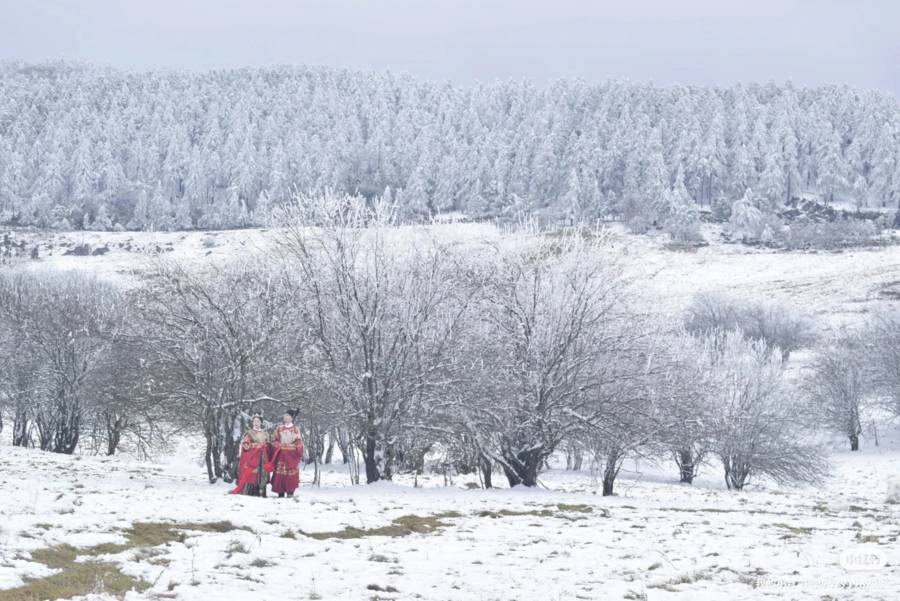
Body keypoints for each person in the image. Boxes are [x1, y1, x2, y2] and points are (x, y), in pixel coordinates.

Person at [230, 415, 271, 496]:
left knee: (261, 474)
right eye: (254, 421)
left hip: (263, 458)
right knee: (252, 474)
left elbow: (269, 445)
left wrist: (266, 446)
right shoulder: (249, 433)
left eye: (258, 421)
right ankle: (249, 492)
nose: (256, 423)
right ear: (252, 422)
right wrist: (257, 446)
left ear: (261, 423)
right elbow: (245, 445)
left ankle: (261, 492)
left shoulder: (265, 434)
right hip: (252, 457)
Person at [270, 410, 304, 498]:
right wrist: (279, 446)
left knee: (291, 474)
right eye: (284, 416)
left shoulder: (296, 429)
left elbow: (299, 443)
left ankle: (290, 493)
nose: (285, 417)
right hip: (281, 456)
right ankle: (280, 493)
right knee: (280, 474)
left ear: (292, 418)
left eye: (287, 416)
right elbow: (274, 440)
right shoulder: (279, 428)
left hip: (291, 456)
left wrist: (291, 448)